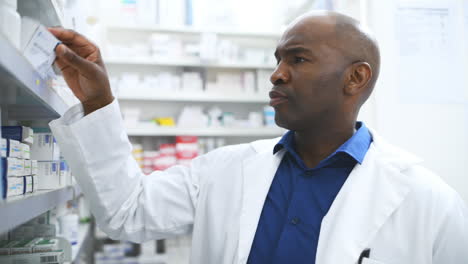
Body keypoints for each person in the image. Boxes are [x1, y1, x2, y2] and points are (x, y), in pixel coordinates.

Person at [48, 11, 467, 264]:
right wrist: (98, 101)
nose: (277, 73)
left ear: (355, 78)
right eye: (277, 59)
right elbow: (126, 213)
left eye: (298, 58)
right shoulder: (225, 169)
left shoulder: (430, 202)